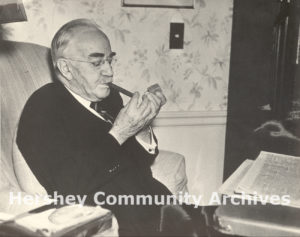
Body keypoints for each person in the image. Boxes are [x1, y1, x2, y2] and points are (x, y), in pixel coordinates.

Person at [16, 19, 197, 236]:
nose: (109, 72)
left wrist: (141, 126)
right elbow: (69, 186)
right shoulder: (44, 106)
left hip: (159, 208)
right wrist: (120, 132)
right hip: (120, 222)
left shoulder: (110, 99)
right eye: (96, 63)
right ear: (66, 68)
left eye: (110, 61)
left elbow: (138, 163)